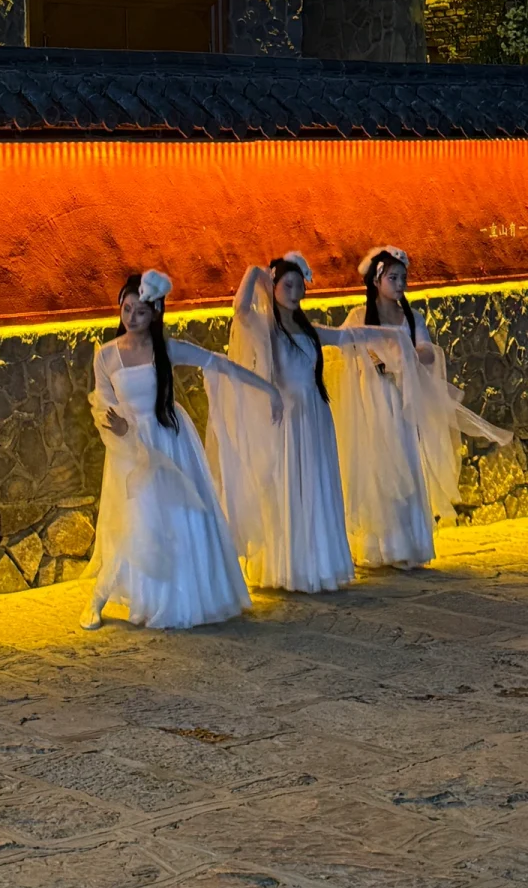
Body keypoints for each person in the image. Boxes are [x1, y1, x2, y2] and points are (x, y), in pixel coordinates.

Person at [83, 269, 282, 632]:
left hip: (171, 439)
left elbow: (219, 363)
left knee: (182, 517)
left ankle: (186, 596)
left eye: (140, 311)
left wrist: (267, 389)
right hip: (130, 447)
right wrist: (120, 428)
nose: (132, 317)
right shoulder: (107, 355)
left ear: (155, 313)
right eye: (127, 309)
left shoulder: (168, 350)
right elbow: (101, 403)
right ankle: (98, 598)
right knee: (129, 520)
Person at [227, 254, 402, 593]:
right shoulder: (266, 327)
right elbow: (240, 310)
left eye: (298, 286)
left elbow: (342, 337)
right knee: (289, 486)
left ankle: (319, 563)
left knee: (317, 484)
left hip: (315, 414)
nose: (294, 292)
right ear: (274, 287)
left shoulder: (307, 328)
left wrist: (384, 334)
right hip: (287, 418)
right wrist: (254, 273)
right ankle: (289, 567)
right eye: (286, 285)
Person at [330, 245, 511, 569]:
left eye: (403, 278)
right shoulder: (359, 317)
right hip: (371, 399)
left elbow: (426, 349)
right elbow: (341, 346)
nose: (400, 284)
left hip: (402, 399)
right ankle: (378, 546)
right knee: (375, 464)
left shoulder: (411, 318)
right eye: (393, 277)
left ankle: (408, 545)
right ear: (376, 280)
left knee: (404, 460)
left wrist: (411, 355)